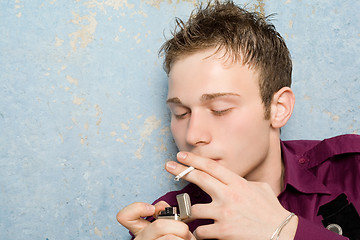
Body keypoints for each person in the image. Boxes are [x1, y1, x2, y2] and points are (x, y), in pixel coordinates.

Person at [117, 1, 360, 239]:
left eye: (220, 109)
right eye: (181, 113)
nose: (192, 135)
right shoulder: (167, 222)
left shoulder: (352, 168)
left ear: (279, 108)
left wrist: (285, 231)